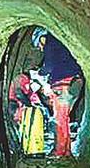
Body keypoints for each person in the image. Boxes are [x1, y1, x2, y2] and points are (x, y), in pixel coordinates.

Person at [32, 28, 84, 157]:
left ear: (41, 38)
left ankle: (59, 151)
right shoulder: (61, 42)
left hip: (64, 83)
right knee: (64, 118)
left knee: (58, 119)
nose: (40, 48)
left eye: (39, 45)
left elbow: (48, 66)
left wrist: (39, 73)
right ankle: (66, 151)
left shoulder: (50, 42)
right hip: (75, 81)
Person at [8, 69, 51, 155]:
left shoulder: (28, 82)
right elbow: (19, 94)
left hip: (17, 105)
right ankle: (27, 148)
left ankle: (26, 148)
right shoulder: (23, 78)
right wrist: (29, 105)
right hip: (15, 105)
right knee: (22, 128)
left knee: (22, 128)